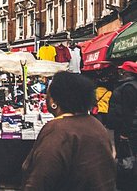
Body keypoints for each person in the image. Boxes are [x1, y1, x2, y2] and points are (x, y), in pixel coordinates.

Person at [22, 71, 115, 191]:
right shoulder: (96, 125)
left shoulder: (58, 129)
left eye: (48, 94)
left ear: (53, 101)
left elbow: (41, 178)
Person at [107, 61, 137, 190]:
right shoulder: (128, 86)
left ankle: (127, 183)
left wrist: (125, 133)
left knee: (127, 157)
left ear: (126, 73)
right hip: (128, 130)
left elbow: (128, 112)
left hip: (128, 132)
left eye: (121, 71)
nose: (119, 73)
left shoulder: (128, 88)